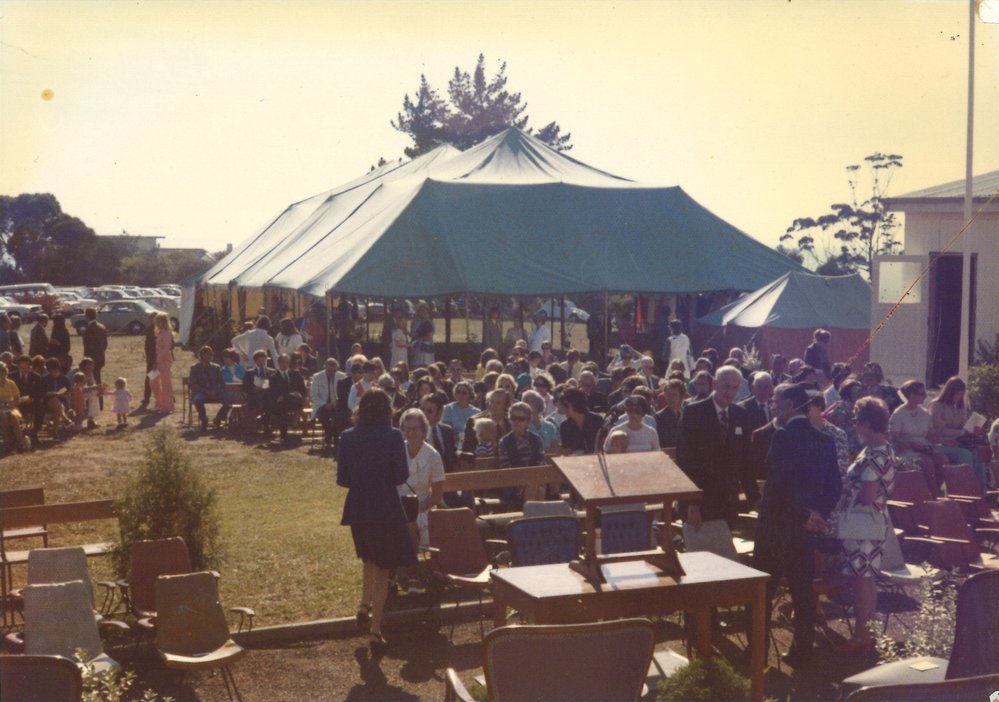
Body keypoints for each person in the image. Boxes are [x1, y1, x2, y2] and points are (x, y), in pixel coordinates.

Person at [753, 383, 842, 669]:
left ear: (791, 405)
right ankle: (802, 652)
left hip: (776, 528)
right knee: (803, 593)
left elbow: (778, 486)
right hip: (806, 531)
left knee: (762, 592)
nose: (773, 406)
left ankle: (757, 651)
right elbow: (835, 486)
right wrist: (817, 514)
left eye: (777, 401)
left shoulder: (782, 436)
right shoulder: (825, 440)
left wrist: (804, 514)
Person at [337, 388, 416, 653]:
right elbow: (400, 475)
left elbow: (343, 479)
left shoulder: (348, 437)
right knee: (384, 569)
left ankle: (363, 604)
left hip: (358, 507)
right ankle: (375, 630)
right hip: (385, 506)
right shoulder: (393, 436)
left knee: (368, 558)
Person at [835, 397, 896, 657]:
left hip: (862, 526)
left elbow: (868, 495)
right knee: (867, 581)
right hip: (874, 523)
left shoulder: (874, 454)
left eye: (857, 421)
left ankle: (861, 637)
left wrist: (848, 493)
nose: (855, 426)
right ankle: (867, 635)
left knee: (862, 582)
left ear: (868, 424)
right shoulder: (883, 449)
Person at [676, 366, 753, 537]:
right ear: (716, 384)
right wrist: (692, 504)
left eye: (735, 388)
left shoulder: (741, 414)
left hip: (728, 501)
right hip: (699, 503)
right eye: (726, 386)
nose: (730, 392)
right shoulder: (693, 412)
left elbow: (745, 460)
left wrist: (754, 499)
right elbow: (685, 461)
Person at [397, 407, 446, 593]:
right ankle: (391, 576)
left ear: (424, 431)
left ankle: (413, 576)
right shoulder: (397, 451)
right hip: (398, 504)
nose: (411, 433)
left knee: (413, 523)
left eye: (415, 429)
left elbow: (437, 495)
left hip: (422, 505)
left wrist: (416, 509)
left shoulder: (433, 456)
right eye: (407, 428)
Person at [929, 375, 988, 487]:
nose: (960, 396)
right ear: (950, 392)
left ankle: (980, 489)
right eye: (958, 393)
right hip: (941, 442)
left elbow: (963, 426)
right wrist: (960, 433)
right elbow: (939, 430)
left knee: (977, 453)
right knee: (964, 454)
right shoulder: (937, 405)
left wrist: (973, 429)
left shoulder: (960, 406)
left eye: (962, 394)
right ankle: (964, 488)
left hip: (959, 442)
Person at [889, 380, 945, 494]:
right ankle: (933, 494)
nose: (925, 396)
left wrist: (943, 440)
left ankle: (934, 490)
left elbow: (931, 435)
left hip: (924, 448)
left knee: (943, 460)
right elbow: (894, 438)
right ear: (911, 395)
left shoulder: (924, 413)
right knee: (927, 462)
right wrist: (911, 445)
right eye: (922, 393)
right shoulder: (899, 414)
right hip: (906, 450)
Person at [499, 401, 546, 508]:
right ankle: (533, 517)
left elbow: (541, 464)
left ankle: (531, 515)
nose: (517, 421)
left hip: (535, 481)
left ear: (527, 421)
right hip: (513, 484)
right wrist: (526, 479)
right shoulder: (505, 442)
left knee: (537, 488)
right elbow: (506, 468)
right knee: (534, 487)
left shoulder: (536, 439)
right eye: (513, 418)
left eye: (521, 419)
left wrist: (532, 479)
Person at [268, 353, 307, 441]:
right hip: (280, 403)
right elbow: (273, 392)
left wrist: (303, 397)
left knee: (296, 399)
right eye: (282, 362)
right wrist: (281, 397)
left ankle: (293, 423)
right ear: (279, 363)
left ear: (289, 363)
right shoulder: (273, 377)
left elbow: (303, 390)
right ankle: (284, 435)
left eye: (286, 362)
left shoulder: (296, 374)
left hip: (295, 401)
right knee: (282, 408)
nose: (284, 364)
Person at [190, 346, 229, 431]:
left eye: (212, 354)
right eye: (209, 354)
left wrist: (215, 391)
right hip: (201, 392)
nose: (211, 356)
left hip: (215, 392)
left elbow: (220, 382)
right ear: (202, 355)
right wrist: (206, 391)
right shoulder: (195, 368)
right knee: (198, 400)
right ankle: (204, 420)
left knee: (228, 400)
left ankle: (218, 419)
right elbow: (193, 384)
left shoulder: (216, 367)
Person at [311, 357, 347, 448]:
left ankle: (334, 437)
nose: (331, 373)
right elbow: (314, 395)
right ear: (325, 368)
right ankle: (330, 435)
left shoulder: (343, 377)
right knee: (324, 417)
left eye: (333, 371)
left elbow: (345, 394)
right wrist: (325, 404)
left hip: (337, 405)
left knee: (340, 417)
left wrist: (337, 403)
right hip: (322, 405)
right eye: (329, 371)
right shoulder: (317, 377)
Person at [559, 388, 603, 455]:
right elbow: (566, 451)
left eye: (566, 405)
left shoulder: (596, 420)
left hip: (597, 458)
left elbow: (603, 444)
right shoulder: (565, 426)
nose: (564, 409)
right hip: (576, 459)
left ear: (576, 403)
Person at [0, 362, 30, 453]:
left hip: (12, 408)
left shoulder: (11, 383)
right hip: (1, 409)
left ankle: (20, 443)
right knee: (4, 417)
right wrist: (7, 403)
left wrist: (10, 403)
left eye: (3, 371)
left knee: (13, 416)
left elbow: (17, 399)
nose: (2, 373)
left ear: (6, 372)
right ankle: (7, 442)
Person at [81, 308, 108, 409]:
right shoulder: (102, 327)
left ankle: (94, 404)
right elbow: (105, 344)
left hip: (90, 359)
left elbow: (87, 347)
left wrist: (86, 360)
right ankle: (100, 403)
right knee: (98, 379)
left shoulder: (88, 329)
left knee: (91, 381)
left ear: (87, 316)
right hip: (100, 358)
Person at [441, 381, 479, 447]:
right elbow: (447, 431)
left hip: (472, 444)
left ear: (470, 394)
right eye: (458, 392)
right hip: (453, 444)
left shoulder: (477, 411)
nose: (460, 395)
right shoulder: (448, 408)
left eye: (464, 393)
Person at [151, 312, 175, 413]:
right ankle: (160, 402)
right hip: (159, 360)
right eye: (157, 322)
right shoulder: (159, 332)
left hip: (164, 361)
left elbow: (166, 349)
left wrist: (157, 361)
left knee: (166, 384)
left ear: (164, 322)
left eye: (160, 321)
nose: (158, 323)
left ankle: (168, 406)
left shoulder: (166, 333)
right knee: (152, 380)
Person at [655, 378, 685, 449]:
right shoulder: (659, 417)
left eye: (674, 395)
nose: (670, 398)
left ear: (681, 396)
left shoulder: (687, 414)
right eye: (668, 394)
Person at [140, 313, 157, 408]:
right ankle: (147, 396)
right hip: (151, 357)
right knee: (151, 377)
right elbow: (147, 345)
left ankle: (149, 396)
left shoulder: (156, 329)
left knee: (153, 377)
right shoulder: (150, 328)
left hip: (155, 358)